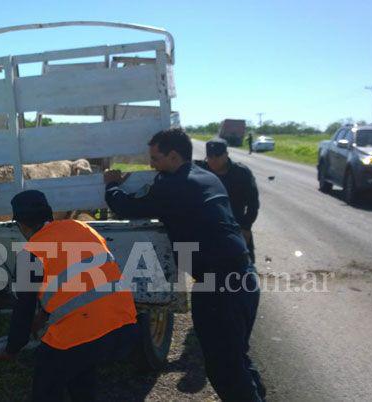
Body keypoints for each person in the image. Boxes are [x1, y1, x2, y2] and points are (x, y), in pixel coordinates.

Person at [103, 128, 265, 402]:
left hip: (218, 287)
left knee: (223, 368)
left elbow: (126, 207)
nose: (151, 164)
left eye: (155, 158)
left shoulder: (173, 187)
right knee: (237, 356)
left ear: (174, 156)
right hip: (245, 278)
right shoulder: (208, 178)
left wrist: (111, 184)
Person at [0, 190, 138, 402]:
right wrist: (44, 314)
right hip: (125, 326)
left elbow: (23, 310)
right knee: (79, 367)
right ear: (49, 214)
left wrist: (11, 349)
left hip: (87, 334)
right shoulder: (82, 228)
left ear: (21, 225)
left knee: (47, 375)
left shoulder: (30, 253)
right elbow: (76, 284)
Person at [195, 138, 260, 262]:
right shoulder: (199, 170)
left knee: (245, 264)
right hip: (208, 227)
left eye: (218, 156)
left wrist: (246, 227)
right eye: (210, 156)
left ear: (226, 155)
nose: (213, 160)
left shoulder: (241, 173)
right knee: (210, 269)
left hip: (236, 225)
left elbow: (253, 203)